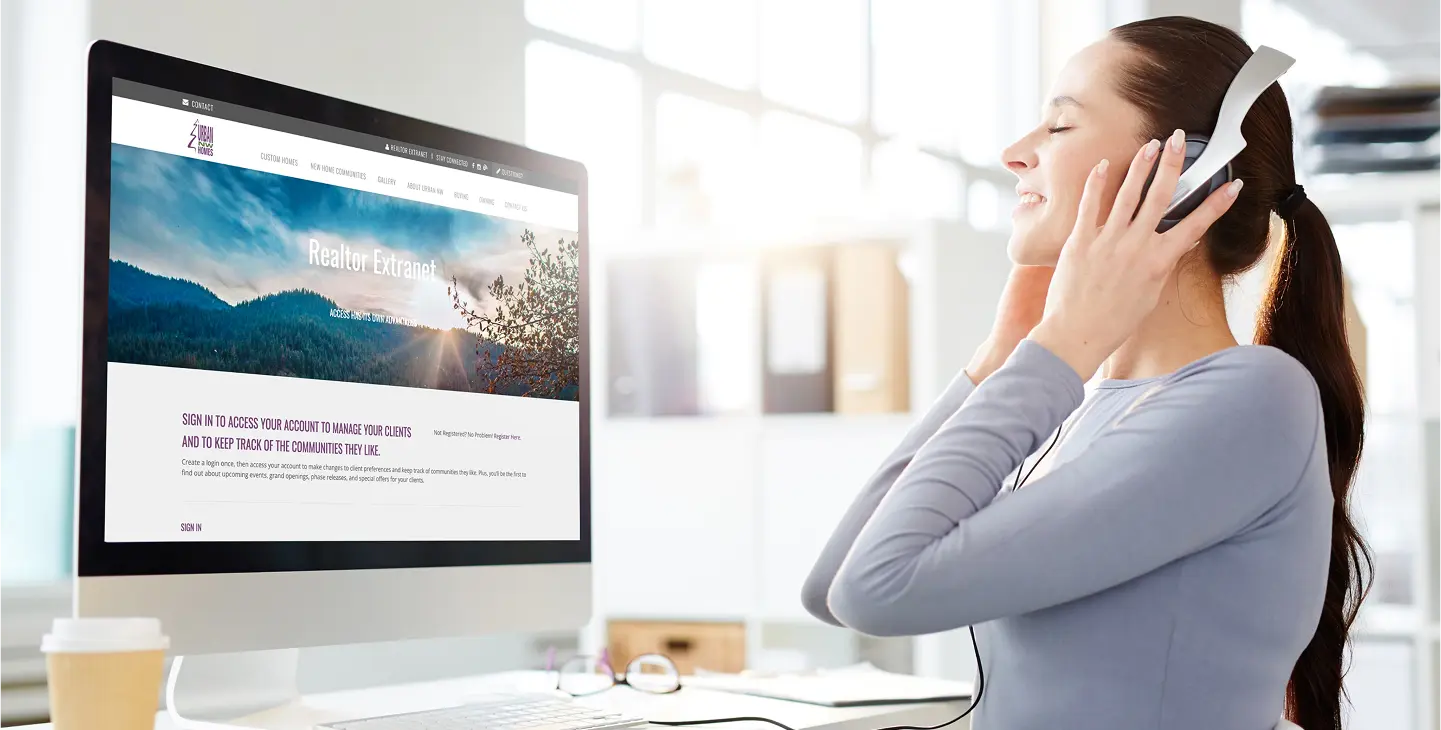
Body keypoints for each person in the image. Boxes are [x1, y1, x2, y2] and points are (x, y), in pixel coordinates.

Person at [801, 16, 1368, 730]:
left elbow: (874, 590)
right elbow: (830, 586)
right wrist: (1002, 356)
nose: (1014, 154)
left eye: (1058, 128)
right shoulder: (1076, 402)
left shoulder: (1252, 398)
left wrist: (1063, 341)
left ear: (1185, 172)